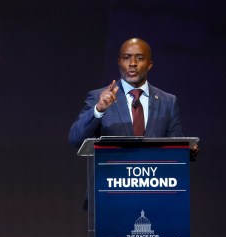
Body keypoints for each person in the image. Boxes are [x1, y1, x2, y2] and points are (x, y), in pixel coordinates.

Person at [69, 37, 198, 154]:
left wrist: (188, 151)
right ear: (119, 62)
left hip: (154, 178)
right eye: (126, 57)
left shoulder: (168, 102)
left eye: (140, 58)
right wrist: (98, 109)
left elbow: (176, 148)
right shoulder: (99, 98)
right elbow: (76, 139)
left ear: (149, 65)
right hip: (113, 177)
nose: (132, 63)